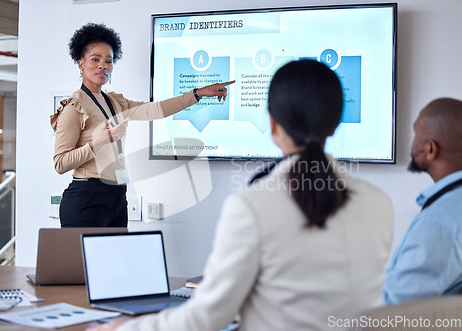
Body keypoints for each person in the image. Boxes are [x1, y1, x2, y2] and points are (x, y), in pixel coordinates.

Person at [88, 60, 393, 331]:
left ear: (273, 124)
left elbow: (205, 319)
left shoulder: (253, 206)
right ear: (337, 122)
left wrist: (120, 328)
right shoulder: (379, 203)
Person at [50, 23, 233, 227]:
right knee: (83, 260)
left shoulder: (114, 102)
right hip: (87, 197)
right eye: (95, 59)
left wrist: (197, 94)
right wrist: (97, 143)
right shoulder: (74, 107)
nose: (103, 66)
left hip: (117, 195)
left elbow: (156, 110)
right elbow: (60, 163)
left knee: (117, 259)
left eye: (108, 61)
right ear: (81, 63)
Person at [383, 98, 462, 305]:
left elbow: (395, 312)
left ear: (430, 149)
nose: (412, 142)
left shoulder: (439, 224)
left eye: (416, 133)